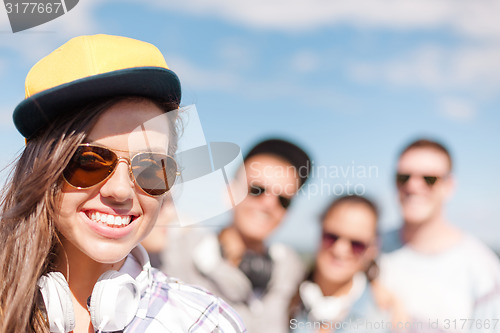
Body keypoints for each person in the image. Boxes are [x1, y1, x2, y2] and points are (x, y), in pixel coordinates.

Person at [0, 34, 245, 333]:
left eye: (152, 168)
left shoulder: (206, 323)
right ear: (41, 169)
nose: (120, 191)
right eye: (88, 161)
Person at [163, 138, 311, 333]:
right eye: (257, 190)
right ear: (231, 191)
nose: (269, 204)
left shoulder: (291, 271)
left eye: (284, 200)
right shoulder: (177, 252)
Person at [379, 138, 500, 332]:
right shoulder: (365, 248)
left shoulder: (483, 272)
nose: (413, 186)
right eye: (404, 177)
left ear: (449, 186)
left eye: (429, 179)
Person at [289, 195, 402, 333]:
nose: (340, 250)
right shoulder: (285, 293)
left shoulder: (385, 317)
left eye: (356, 244)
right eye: (332, 237)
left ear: (372, 249)